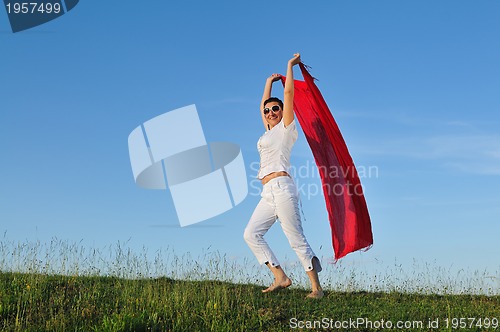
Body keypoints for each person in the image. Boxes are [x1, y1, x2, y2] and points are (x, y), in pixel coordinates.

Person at [244, 53, 323, 299]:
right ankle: (281, 277)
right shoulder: (268, 131)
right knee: (251, 234)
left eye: (275, 109)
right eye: (268, 110)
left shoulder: (286, 129)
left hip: (282, 187)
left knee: (295, 238)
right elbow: (262, 105)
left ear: (282, 112)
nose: (270, 112)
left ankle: (316, 289)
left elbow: (288, 95)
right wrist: (268, 81)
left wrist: (289, 68)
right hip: (267, 192)